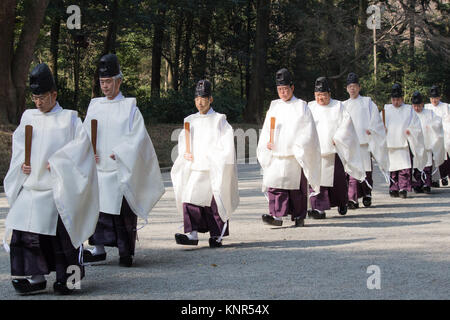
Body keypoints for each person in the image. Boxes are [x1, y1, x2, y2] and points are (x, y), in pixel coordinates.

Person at [3, 63, 99, 295]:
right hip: (33, 186)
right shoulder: (29, 117)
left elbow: (81, 149)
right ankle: (35, 278)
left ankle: (70, 279)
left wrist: (58, 163)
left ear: (54, 94)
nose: (38, 102)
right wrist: (21, 164)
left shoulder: (70, 119)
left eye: (43, 97)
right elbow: (19, 147)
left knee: (62, 238)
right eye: (35, 97)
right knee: (25, 233)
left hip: (58, 188)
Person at [83, 54, 165, 267]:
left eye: (109, 81)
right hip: (99, 167)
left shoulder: (130, 108)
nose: (105, 86)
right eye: (102, 82)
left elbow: (137, 137)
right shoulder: (95, 106)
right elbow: (84, 134)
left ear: (119, 81)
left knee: (122, 214)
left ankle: (125, 252)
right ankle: (97, 248)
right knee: (98, 210)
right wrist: (86, 151)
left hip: (120, 168)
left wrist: (121, 152)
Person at [171, 80, 239, 248]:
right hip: (195, 167)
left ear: (210, 99)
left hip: (213, 168)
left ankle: (217, 235)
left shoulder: (219, 120)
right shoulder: (189, 120)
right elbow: (183, 141)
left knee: (215, 202)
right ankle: (192, 234)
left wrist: (218, 158)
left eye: (203, 98)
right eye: (197, 99)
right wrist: (185, 153)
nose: (200, 102)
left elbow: (227, 143)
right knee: (189, 198)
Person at [257, 68, 321, 227]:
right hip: (276, 154)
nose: (283, 93)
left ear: (292, 88)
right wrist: (267, 143)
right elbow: (267, 129)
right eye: (280, 90)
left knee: (295, 190)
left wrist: (300, 146)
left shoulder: (301, 106)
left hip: (294, 154)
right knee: (275, 185)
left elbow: (309, 131)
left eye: (285, 89)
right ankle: (276, 216)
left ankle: (299, 216)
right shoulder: (274, 106)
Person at [307, 77, 366, 219]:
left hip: (334, 150)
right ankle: (318, 208)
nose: (321, 98)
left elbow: (347, 124)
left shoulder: (338, 106)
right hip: (316, 151)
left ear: (329, 94)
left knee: (337, 182)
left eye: (324, 95)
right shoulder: (310, 107)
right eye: (318, 96)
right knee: (316, 181)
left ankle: (342, 202)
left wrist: (339, 137)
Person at [343, 73, 389, 209]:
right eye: (350, 87)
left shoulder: (367, 102)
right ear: (347, 89)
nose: (352, 89)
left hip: (363, 143)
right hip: (350, 144)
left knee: (365, 170)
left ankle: (367, 194)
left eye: (355, 86)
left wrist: (372, 129)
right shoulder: (343, 105)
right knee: (351, 172)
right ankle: (352, 199)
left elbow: (376, 119)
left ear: (359, 87)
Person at [384, 84, 426, 199]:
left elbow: (416, 125)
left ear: (402, 99)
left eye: (398, 99)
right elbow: (379, 124)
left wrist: (410, 131)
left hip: (403, 143)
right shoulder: (386, 110)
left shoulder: (408, 110)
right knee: (393, 168)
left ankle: (403, 188)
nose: (396, 102)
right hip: (391, 143)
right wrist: (383, 129)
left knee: (404, 168)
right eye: (393, 99)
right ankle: (393, 187)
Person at [411, 91, 445, 193]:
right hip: (416, 145)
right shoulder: (410, 114)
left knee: (427, 164)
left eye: (419, 106)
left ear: (422, 104)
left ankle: (426, 184)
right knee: (417, 165)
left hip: (427, 143)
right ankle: (418, 184)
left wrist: (431, 126)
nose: (417, 108)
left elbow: (438, 122)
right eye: (415, 106)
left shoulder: (429, 113)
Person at [425, 85, 450, 187]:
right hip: (430, 135)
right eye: (432, 98)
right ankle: (434, 178)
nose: (434, 100)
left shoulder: (446, 107)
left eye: (436, 98)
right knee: (431, 156)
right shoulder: (427, 107)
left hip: (444, 134)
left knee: (445, 154)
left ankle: (444, 176)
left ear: (439, 97)